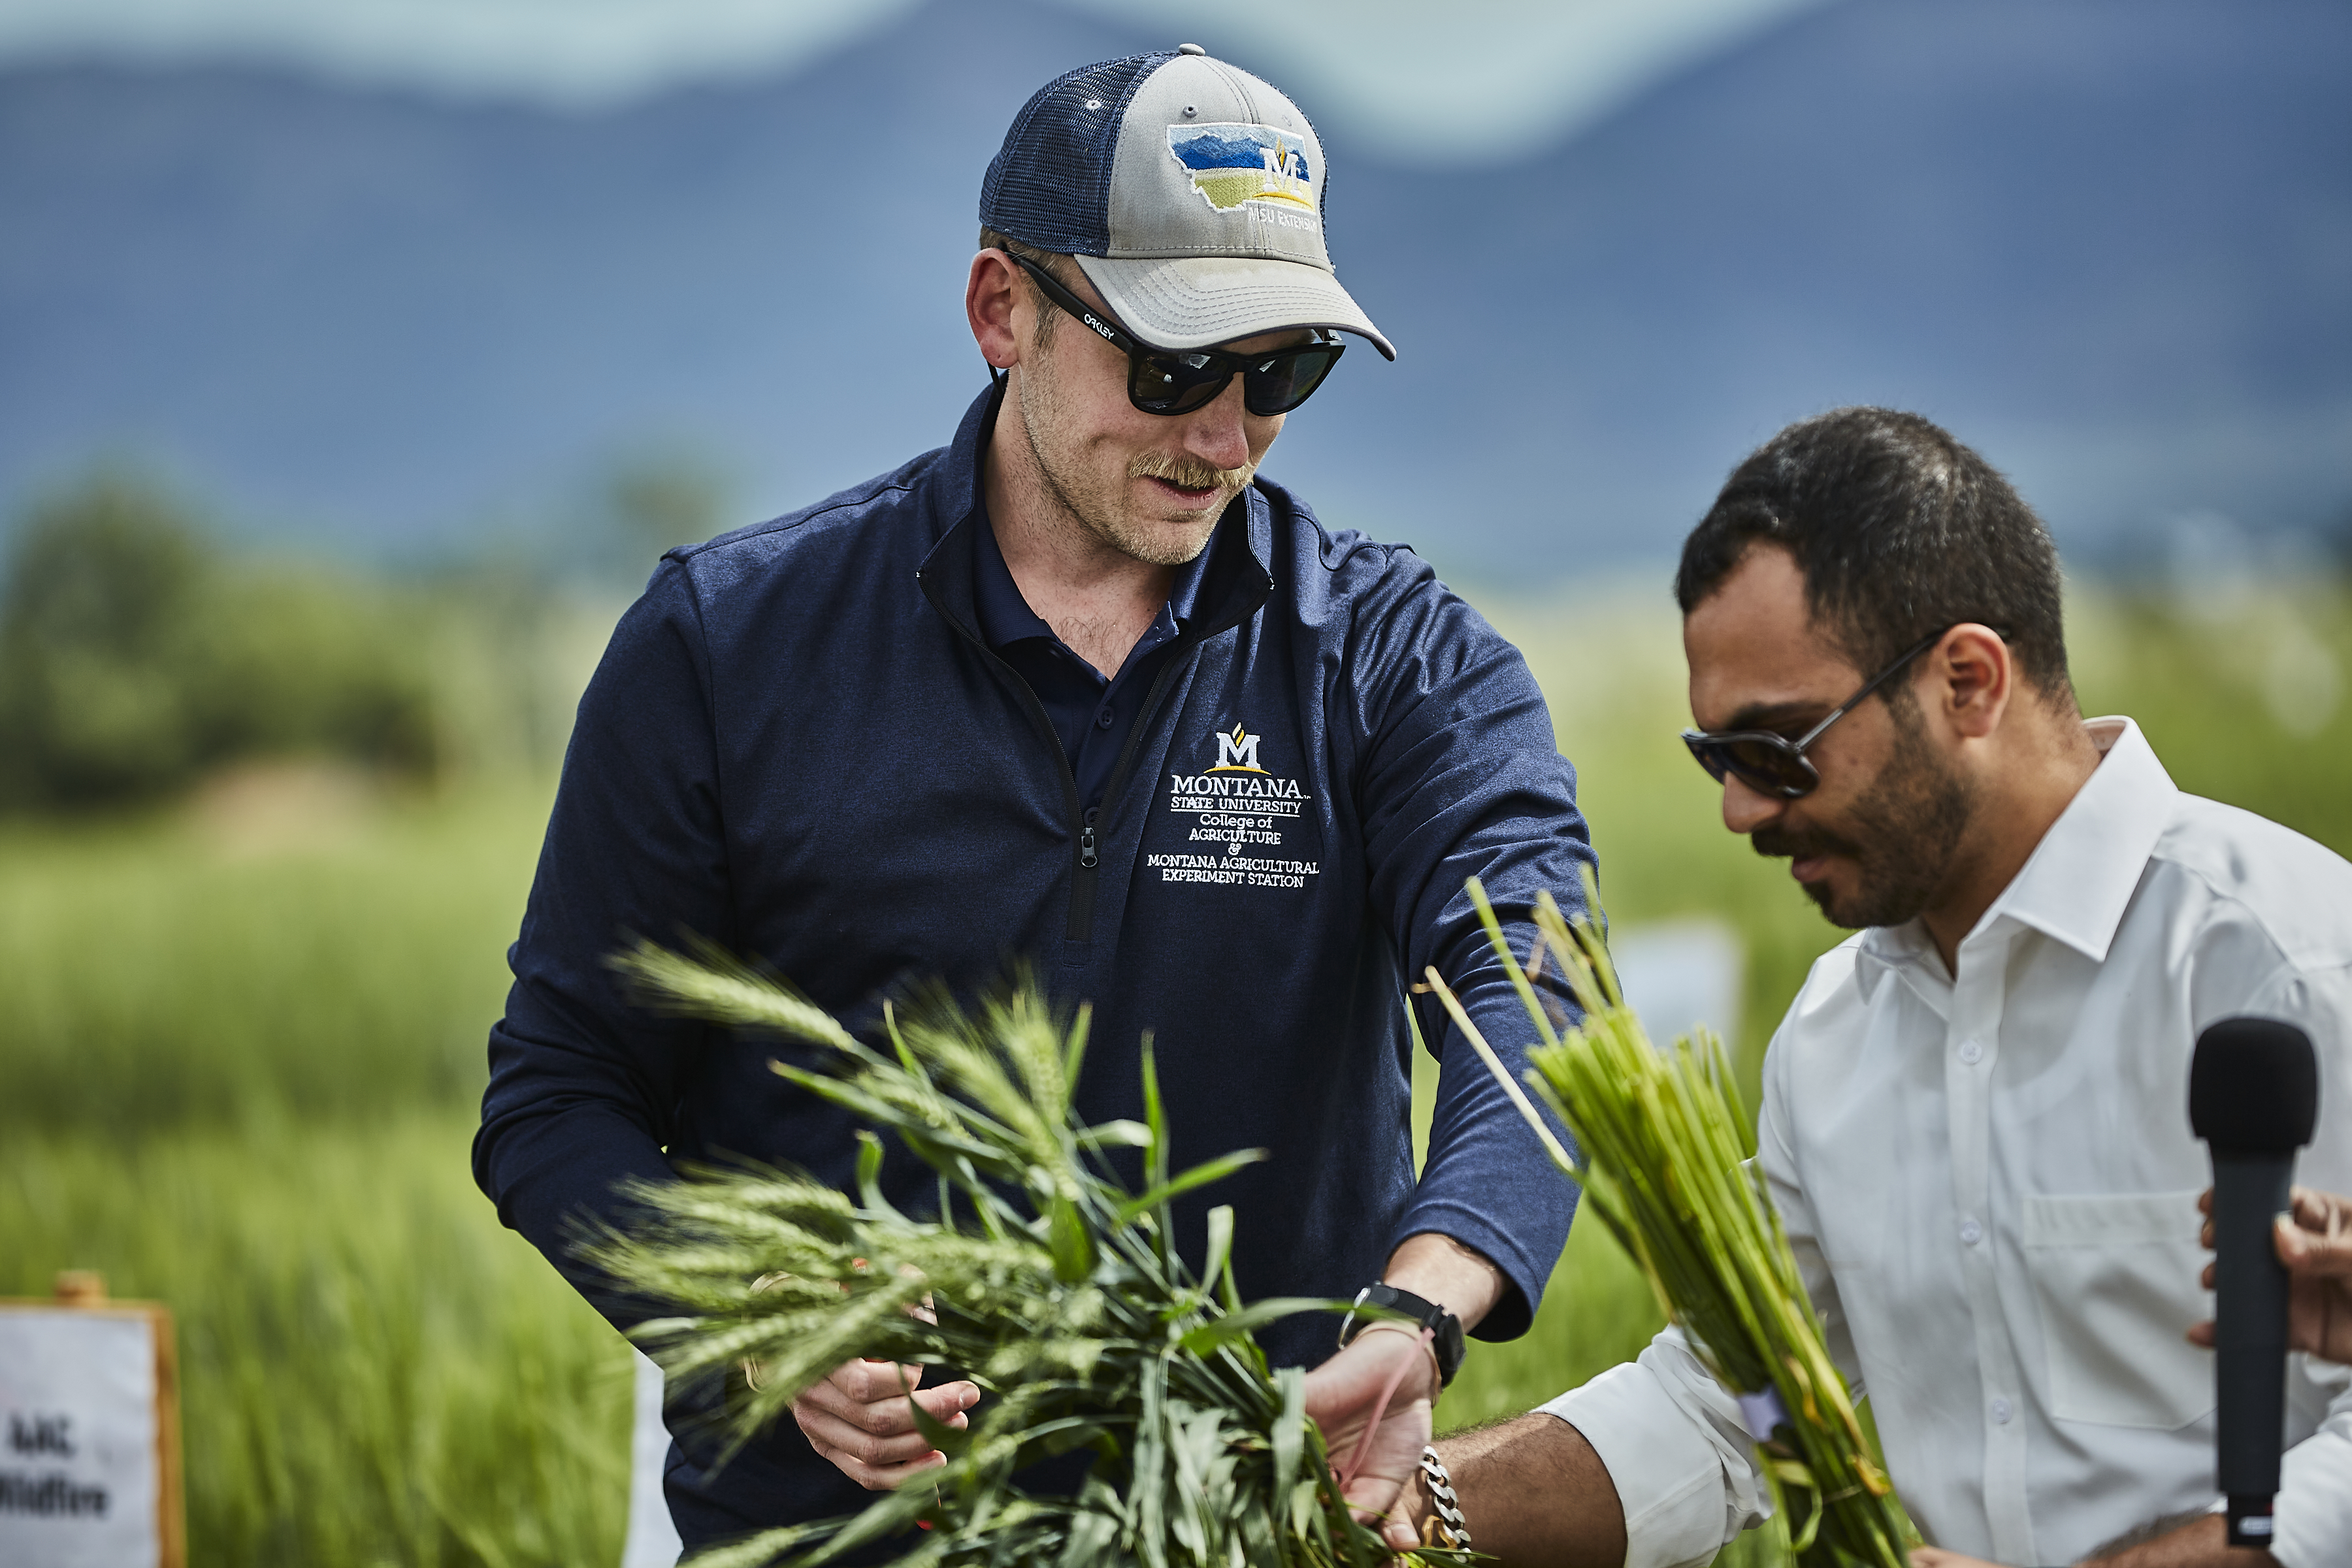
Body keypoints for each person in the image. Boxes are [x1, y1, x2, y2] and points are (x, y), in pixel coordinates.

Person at [471, 44, 1593, 1554]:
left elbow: (1534, 988)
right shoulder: (726, 647)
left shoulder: (1396, 662)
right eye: (1175, 363)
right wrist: (767, 1320)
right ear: (1005, 309)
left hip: (1250, 1530)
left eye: (1282, 373)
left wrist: (1421, 1311)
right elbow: (560, 1088)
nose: (1222, 436)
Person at [1382, 408, 2352, 1568]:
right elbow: (1734, 1411)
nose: (1739, 809)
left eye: (1776, 750)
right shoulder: (1836, 1032)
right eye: (1716, 759)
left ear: (1968, 682)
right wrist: (1399, 1501)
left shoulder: (2291, 964)